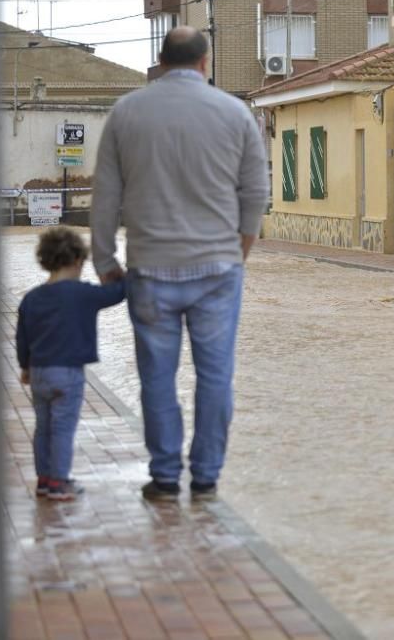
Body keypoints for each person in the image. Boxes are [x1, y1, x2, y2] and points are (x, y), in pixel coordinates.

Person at [91, 26, 269, 502]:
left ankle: (165, 477)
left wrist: (105, 260)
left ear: (160, 60)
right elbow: (255, 193)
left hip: (149, 271)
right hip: (217, 270)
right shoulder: (235, 113)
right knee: (215, 377)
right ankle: (207, 476)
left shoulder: (126, 113)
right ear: (205, 62)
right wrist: (240, 250)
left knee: (156, 378)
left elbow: (106, 196)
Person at [16, 227, 126, 501]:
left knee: (43, 428)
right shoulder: (83, 293)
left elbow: (22, 336)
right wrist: (126, 273)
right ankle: (59, 482)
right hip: (68, 373)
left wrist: (25, 367)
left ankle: (43, 479)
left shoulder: (31, 298)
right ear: (78, 260)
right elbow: (117, 293)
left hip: (39, 372)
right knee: (63, 428)